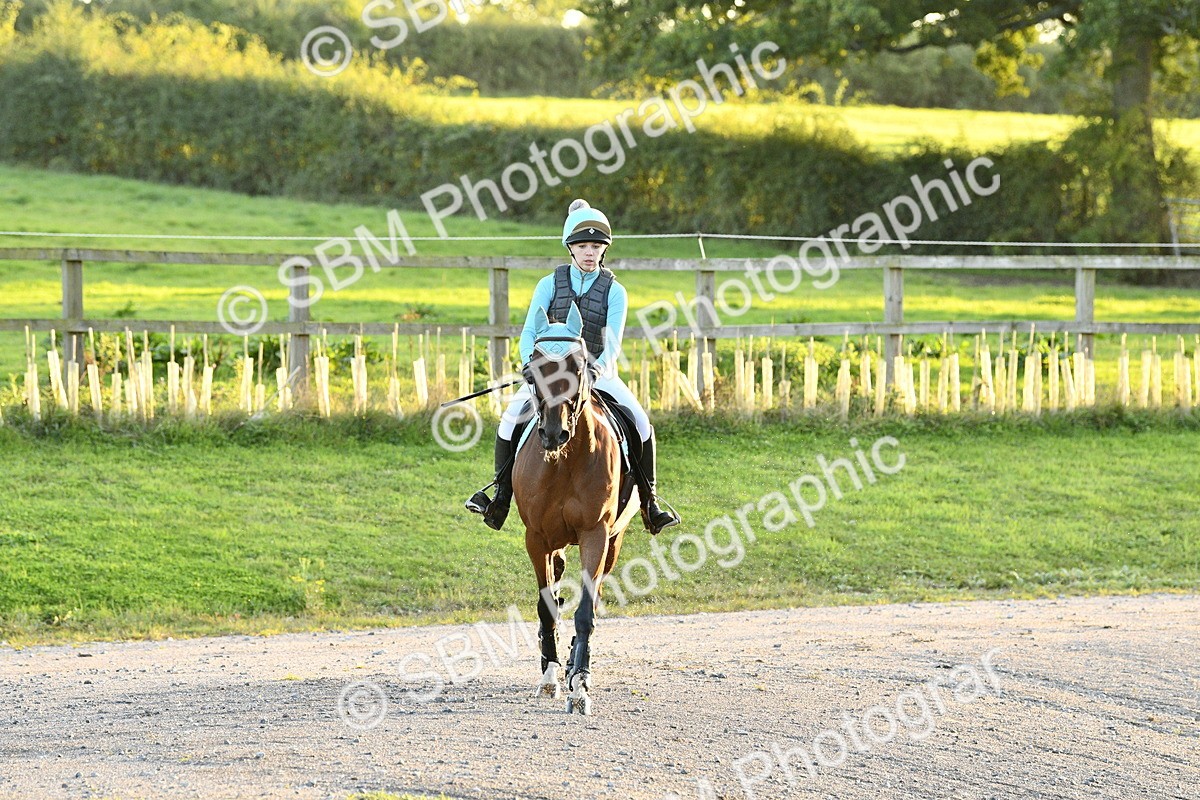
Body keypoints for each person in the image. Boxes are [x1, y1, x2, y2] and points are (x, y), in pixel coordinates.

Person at [466, 199, 681, 535]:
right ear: (570, 248)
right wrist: (527, 365)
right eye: (583, 246)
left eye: (596, 246)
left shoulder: (615, 291)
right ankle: (500, 497)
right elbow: (529, 332)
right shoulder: (549, 284)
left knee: (640, 422)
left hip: (596, 373)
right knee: (510, 420)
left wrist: (596, 372)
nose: (590, 253)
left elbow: (612, 342)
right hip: (551, 372)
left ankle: (650, 502)